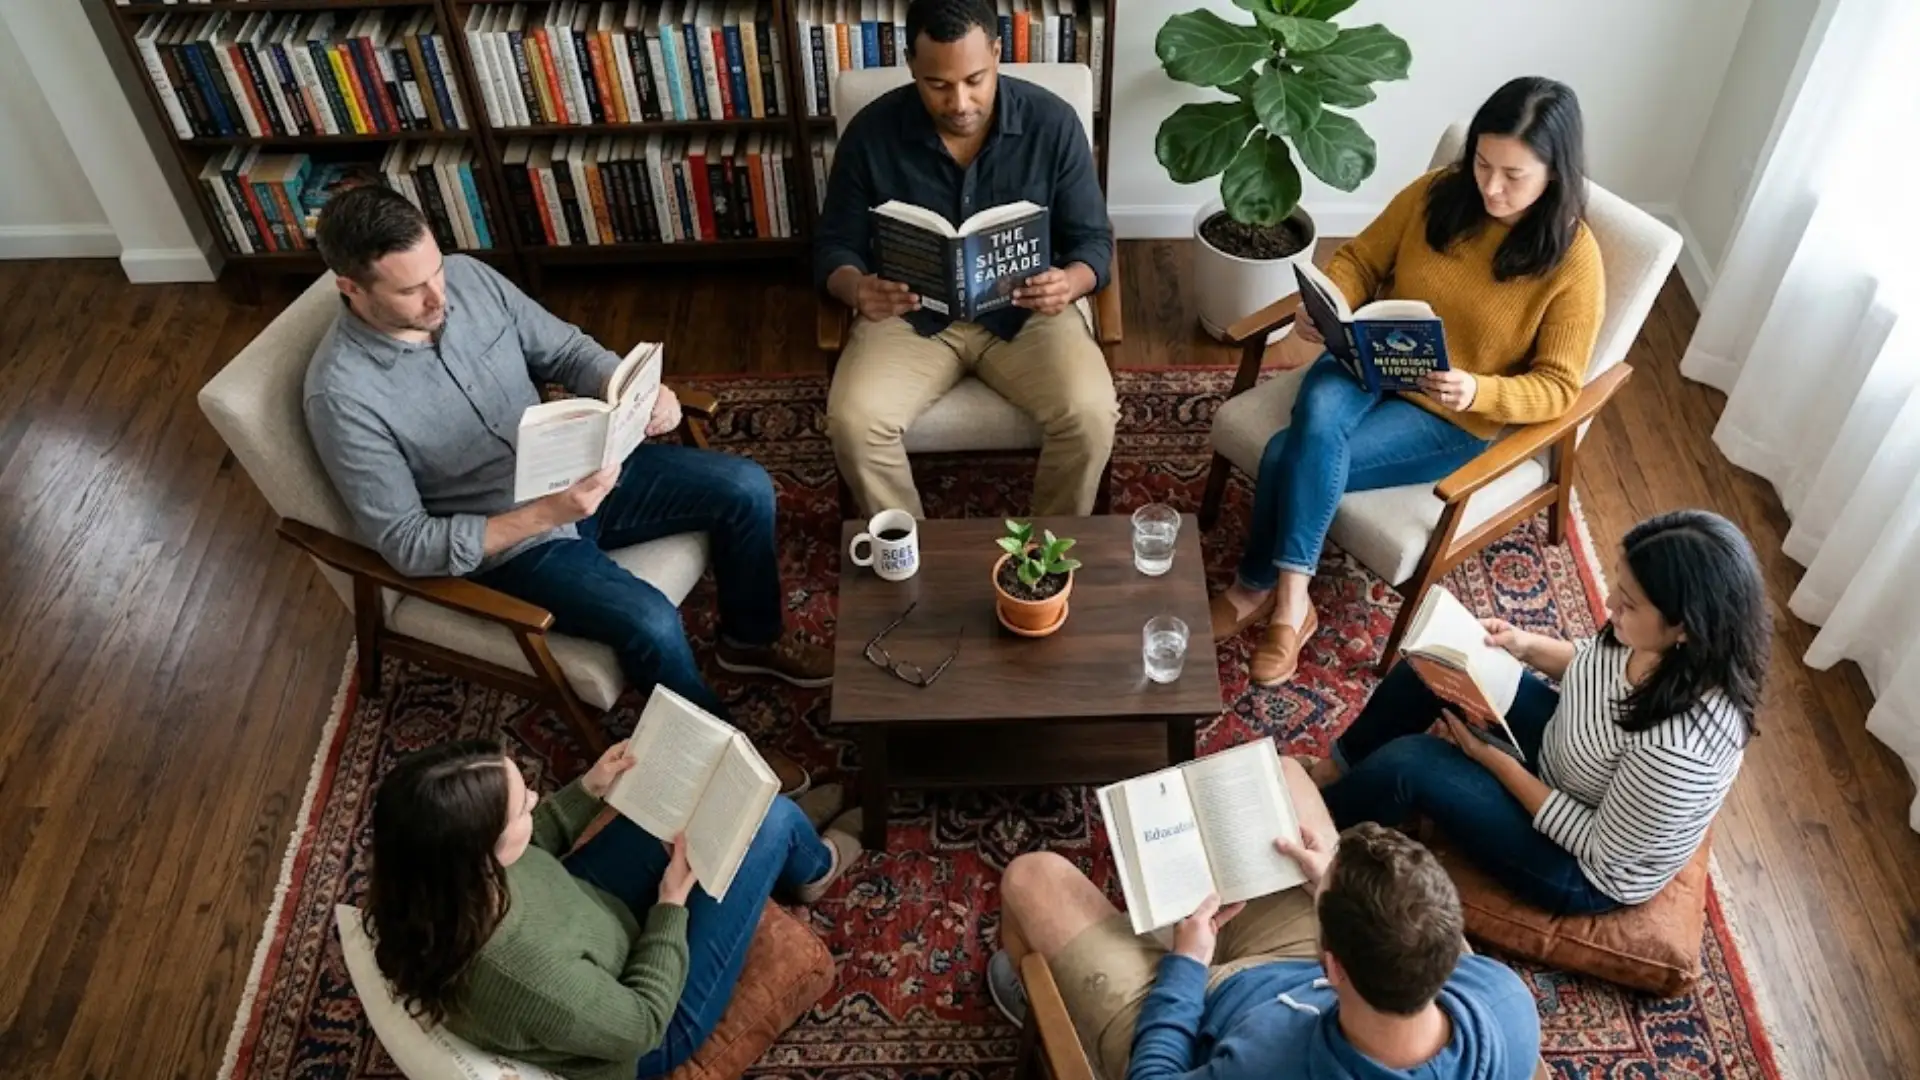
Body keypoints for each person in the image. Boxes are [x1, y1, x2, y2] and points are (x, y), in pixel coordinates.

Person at [305, 185, 826, 792]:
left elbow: (567, 350)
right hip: (511, 540)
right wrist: (543, 515)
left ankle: (749, 638)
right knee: (650, 621)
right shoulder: (341, 396)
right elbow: (408, 543)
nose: (437, 295)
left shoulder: (470, 279)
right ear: (351, 288)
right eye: (409, 290)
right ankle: (723, 766)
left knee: (746, 486)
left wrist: (636, 390)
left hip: (579, 467)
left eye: (436, 271)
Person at [1212, 76, 1605, 687]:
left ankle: (1265, 591)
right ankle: (1290, 603)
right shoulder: (1436, 195)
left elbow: (1557, 388)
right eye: (1482, 163)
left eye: (1513, 175)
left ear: (1555, 173)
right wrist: (1331, 301)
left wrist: (1478, 390)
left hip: (1449, 414)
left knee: (1286, 451)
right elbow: (1361, 258)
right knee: (1317, 415)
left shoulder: (1573, 262)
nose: (1491, 187)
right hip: (1367, 361)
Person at [1307, 509, 1769, 915]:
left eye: (1627, 603)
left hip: (1579, 865)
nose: (1610, 606)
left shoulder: (1679, 751)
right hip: (1568, 759)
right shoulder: (1650, 639)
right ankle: (1338, 769)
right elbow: (1592, 663)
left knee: (1413, 764)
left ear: (1686, 627)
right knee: (1435, 662)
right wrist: (1523, 645)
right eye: (1617, 587)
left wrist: (1492, 762)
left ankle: (1314, 829)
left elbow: (1595, 845)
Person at [987, 758, 1541, 1080]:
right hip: (1306, 982)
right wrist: (1331, 881)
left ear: (1337, 966)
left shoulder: (1268, 1060)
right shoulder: (1505, 1001)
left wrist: (1185, 967)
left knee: (1031, 877)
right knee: (1286, 775)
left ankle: (1034, 1000)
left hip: (1200, 1013)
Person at [363, 738, 863, 1080]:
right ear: (478, 852)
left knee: (704, 795)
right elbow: (642, 1023)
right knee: (770, 821)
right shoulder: (522, 974)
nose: (536, 799)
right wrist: (670, 906)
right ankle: (813, 866)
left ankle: (790, 839)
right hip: (652, 1018)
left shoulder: (430, 877)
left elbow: (530, 846)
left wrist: (588, 789)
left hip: (591, 913)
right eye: (521, 807)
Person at [815, 0, 1118, 519]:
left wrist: (1070, 282)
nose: (960, 101)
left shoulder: (1053, 124)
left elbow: (1093, 239)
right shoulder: (871, 133)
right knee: (854, 421)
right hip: (908, 316)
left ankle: (1045, 554)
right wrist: (855, 288)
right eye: (938, 85)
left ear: (998, 54)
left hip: (1028, 315)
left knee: (1090, 414)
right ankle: (908, 552)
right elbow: (832, 245)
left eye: (975, 79)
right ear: (912, 65)